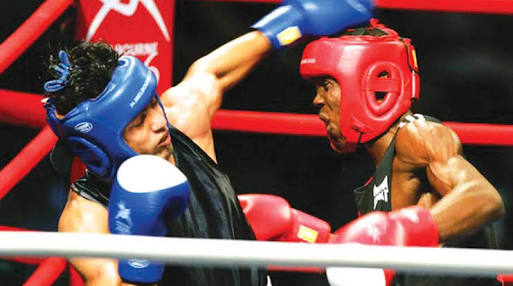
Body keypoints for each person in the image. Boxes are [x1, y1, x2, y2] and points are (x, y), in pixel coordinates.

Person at [42, 0, 374, 285]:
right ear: (98, 149)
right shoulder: (85, 219)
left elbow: (212, 72)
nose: (160, 123)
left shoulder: (182, 119)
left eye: (152, 103)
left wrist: (300, 17)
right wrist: (140, 249)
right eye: (139, 122)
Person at [299, 20, 505, 286]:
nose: (317, 100)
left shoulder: (419, 134)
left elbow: (484, 198)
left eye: (326, 85)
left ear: (366, 84)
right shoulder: (373, 183)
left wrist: (399, 232)